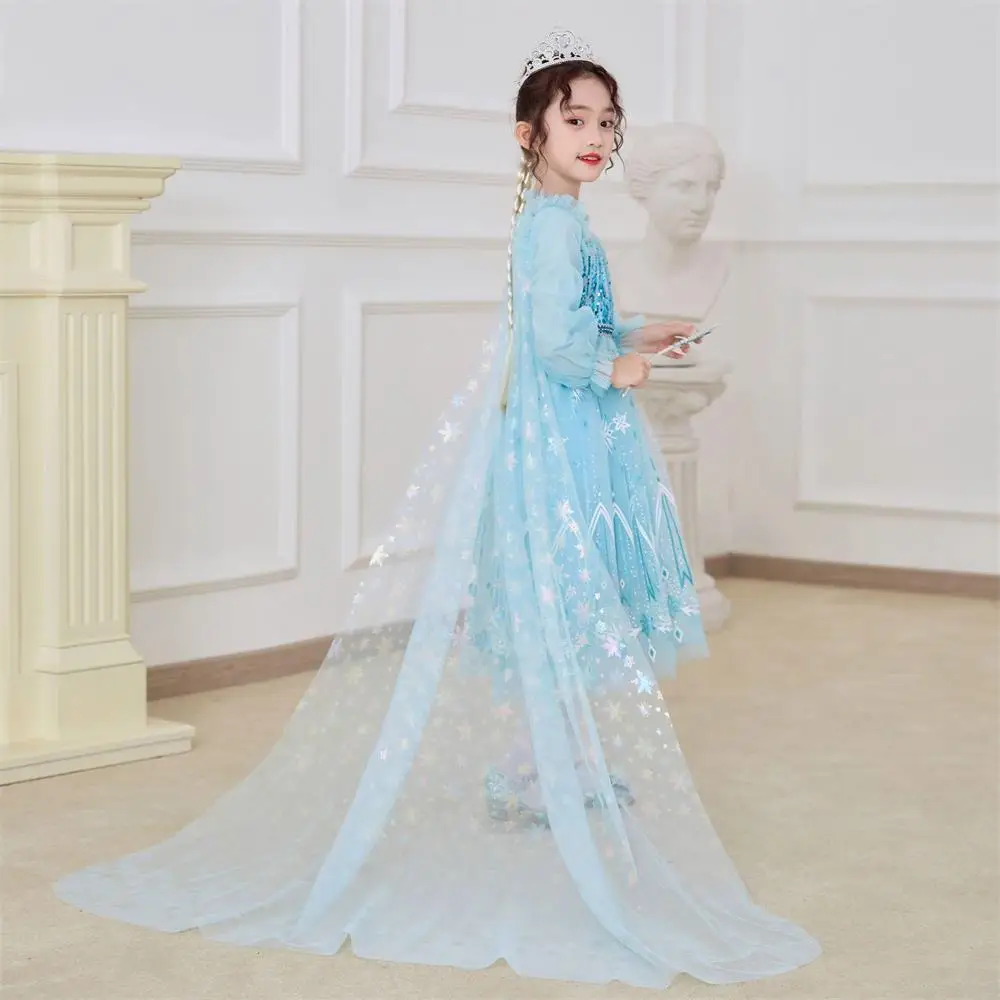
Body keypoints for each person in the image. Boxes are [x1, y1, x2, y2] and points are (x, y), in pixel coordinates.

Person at [55, 29, 821, 990]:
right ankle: (540, 763)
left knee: (561, 587)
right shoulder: (554, 225)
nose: (595, 137)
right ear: (530, 133)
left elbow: (563, 322)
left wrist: (633, 331)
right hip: (565, 429)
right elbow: (555, 346)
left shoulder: (556, 220)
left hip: (560, 426)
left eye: (606, 122)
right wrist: (617, 366)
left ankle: (543, 758)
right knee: (566, 583)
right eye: (575, 120)